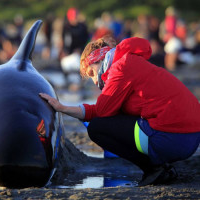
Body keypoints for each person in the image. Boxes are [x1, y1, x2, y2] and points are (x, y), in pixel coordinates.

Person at [40, 36, 200, 186]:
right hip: (190, 137)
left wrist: (64, 108)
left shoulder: (120, 67)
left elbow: (101, 112)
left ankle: (155, 169)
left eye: (91, 73)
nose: (95, 81)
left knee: (97, 128)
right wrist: (63, 108)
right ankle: (161, 166)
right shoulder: (129, 61)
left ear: (99, 59)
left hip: (174, 139)